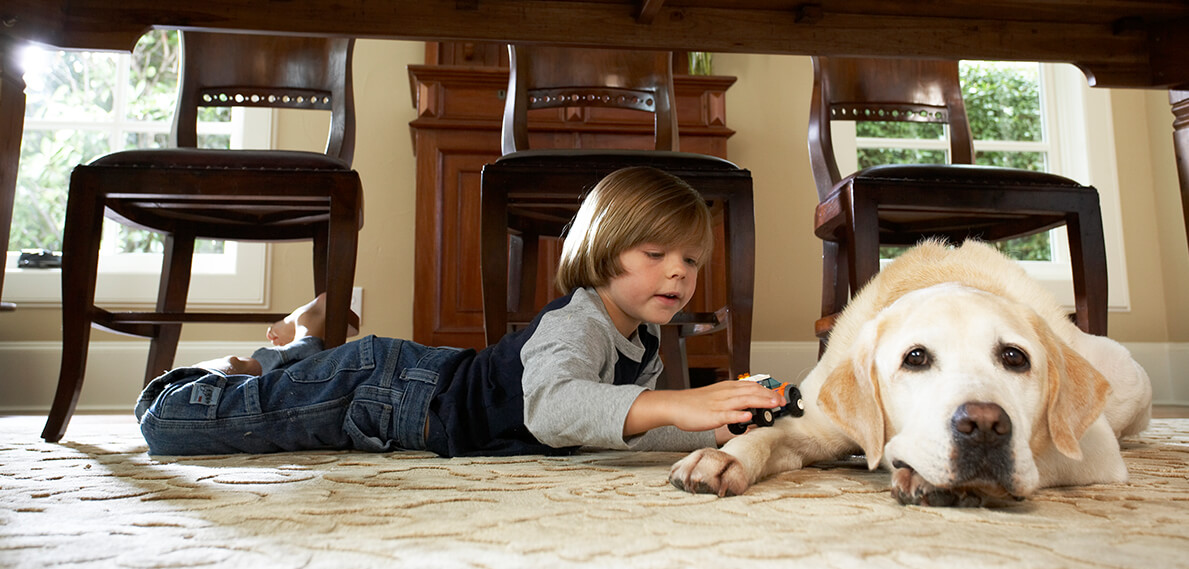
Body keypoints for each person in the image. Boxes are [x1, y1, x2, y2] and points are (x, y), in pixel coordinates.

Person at [135, 166, 778, 457]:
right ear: (604, 251)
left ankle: (300, 346)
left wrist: (711, 427)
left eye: (691, 261)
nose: (678, 272)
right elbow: (554, 410)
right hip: (387, 391)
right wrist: (678, 404)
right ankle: (236, 368)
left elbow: (613, 424)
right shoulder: (577, 323)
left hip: (423, 382)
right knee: (174, 428)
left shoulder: (639, 340)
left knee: (295, 382)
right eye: (656, 252)